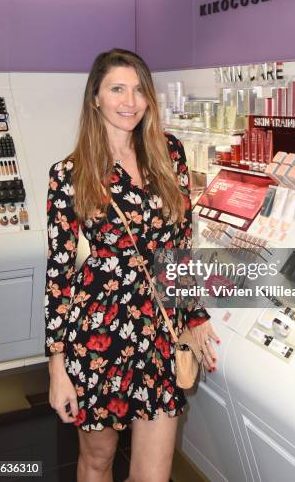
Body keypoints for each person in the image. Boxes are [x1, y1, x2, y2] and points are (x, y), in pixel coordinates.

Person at [44, 48, 219, 482]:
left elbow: (180, 241)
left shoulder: (169, 154)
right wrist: (57, 367)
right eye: (117, 89)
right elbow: (60, 275)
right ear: (95, 98)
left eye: (139, 89)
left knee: (153, 474)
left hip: (159, 334)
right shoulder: (69, 173)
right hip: (98, 337)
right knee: (97, 461)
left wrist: (192, 314)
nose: (130, 101)